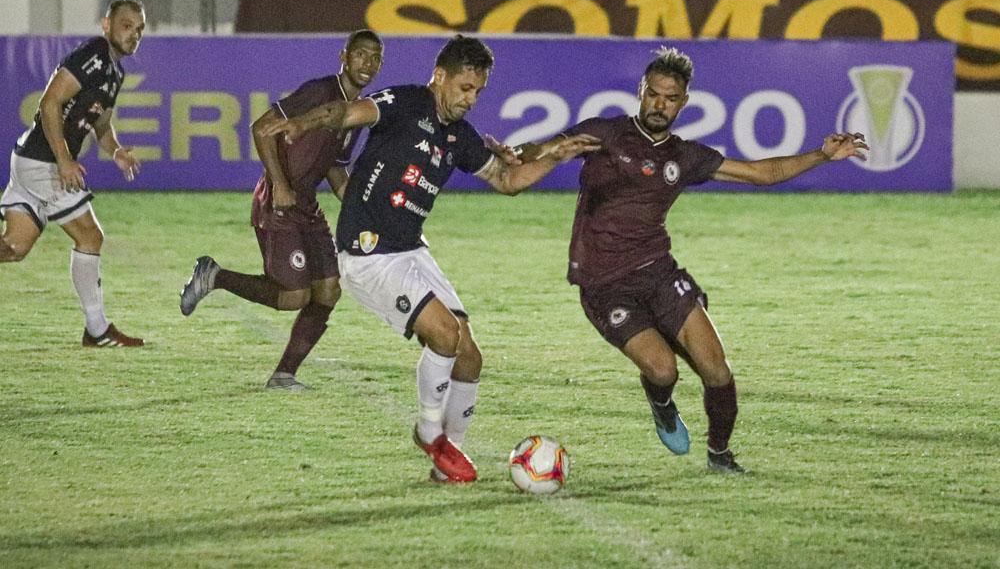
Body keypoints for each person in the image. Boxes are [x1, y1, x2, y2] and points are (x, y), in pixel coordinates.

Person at [260, 35, 600, 482]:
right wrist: (303, 124)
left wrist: (554, 156)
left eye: (477, 91)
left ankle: (447, 458)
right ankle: (428, 432)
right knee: (444, 334)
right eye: (464, 88)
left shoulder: (459, 135)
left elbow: (507, 179)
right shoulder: (404, 102)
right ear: (439, 77)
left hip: (411, 248)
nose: (470, 99)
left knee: (470, 357)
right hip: (369, 252)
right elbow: (348, 112)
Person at [562, 47, 868, 473]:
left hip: (659, 272)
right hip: (604, 284)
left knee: (716, 369)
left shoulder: (685, 156)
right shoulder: (606, 134)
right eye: (653, 94)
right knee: (663, 369)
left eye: (670, 98)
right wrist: (514, 157)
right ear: (641, 92)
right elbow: (546, 151)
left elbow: (762, 174)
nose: (659, 104)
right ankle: (662, 401)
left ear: (683, 102)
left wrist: (821, 154)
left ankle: (720, 455)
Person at [178, 30, 386, 390]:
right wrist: (280, 185)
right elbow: (261, 129)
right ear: (344, 56)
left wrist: (362, 203)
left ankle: (284, 375)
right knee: (293, 296)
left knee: (328, 291)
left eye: (375, 58)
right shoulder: (320, 93)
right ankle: (215, 276)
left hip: (306, 205)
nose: (367, 63)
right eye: (361, 54)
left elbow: (335, 169)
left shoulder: (354, 115)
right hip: (278, 202)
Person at [0, 0, 146, 347]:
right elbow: (49, 102)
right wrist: (64, 160)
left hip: (32, 160)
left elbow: (102, 125)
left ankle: (96, 330)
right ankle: (96, 329)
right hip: (43, 162)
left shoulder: (115, 71)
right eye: (127, 26)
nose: (134, 35)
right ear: (106, 25)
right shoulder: (94, 54)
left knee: (15, 248)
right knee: (90, 236)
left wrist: (116, 151)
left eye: (139, 30)